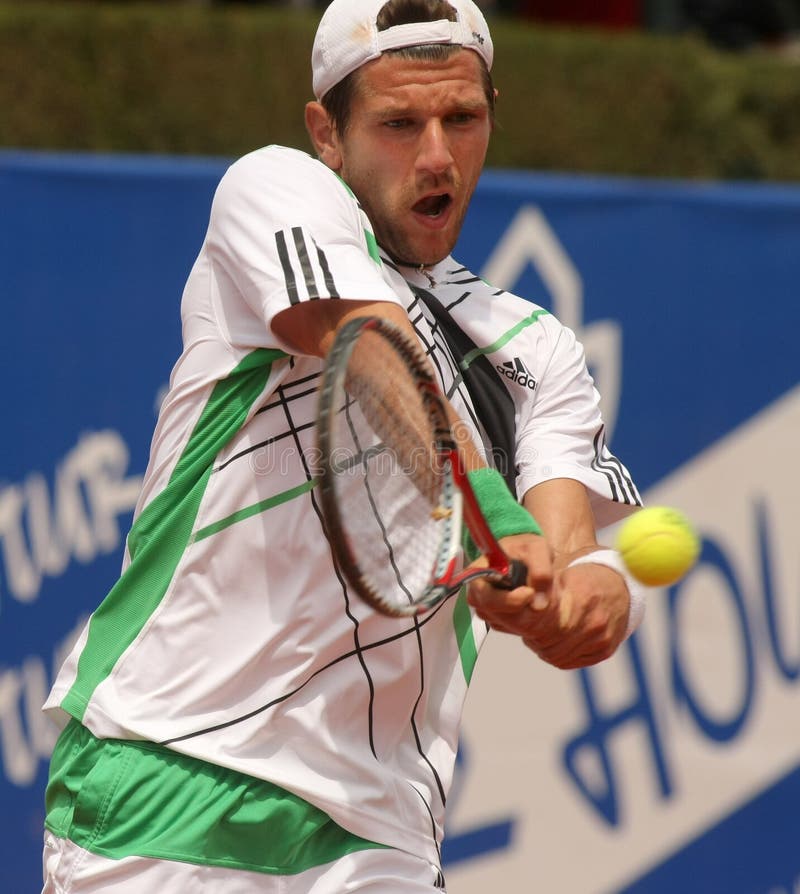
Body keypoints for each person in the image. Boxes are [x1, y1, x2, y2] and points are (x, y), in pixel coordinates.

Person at [40, 0, 644, 890]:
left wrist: (588, 601)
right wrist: (489, 515)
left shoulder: (537, 349)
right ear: (328, 131)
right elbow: (370, 343)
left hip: (383, 831)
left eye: (462, 119)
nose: (437, 155)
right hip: (165, 785)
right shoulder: (275, 189)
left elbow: (569, 552)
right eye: (400, 123)